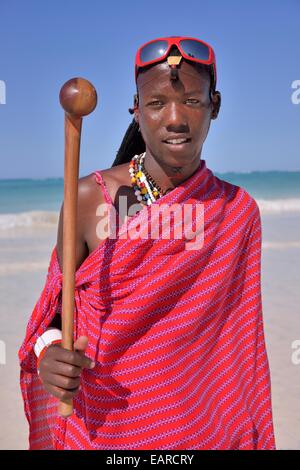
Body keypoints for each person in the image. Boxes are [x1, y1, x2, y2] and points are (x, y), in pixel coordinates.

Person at [18, 36, 276, 450]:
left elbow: (238, 349)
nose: (175, 118)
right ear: (136, 112)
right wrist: (51, 355)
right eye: (156, 104)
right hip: (105, 430)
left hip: (206, 433)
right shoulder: (90, 199)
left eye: (192, 101)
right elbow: (56, 310)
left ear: (216, 106)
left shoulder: (236, 211)